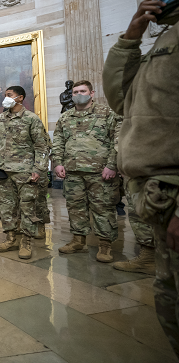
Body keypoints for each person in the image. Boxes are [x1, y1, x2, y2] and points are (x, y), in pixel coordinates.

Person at [103, 0, 179, 356]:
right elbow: (121, 99)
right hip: (160, 197)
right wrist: (132, 36)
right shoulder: (166, 38)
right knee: (170, 302)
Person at [51, 80, 121, 263]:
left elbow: (118, 140)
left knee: (103, 208)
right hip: (73, 171)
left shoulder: (107, 113)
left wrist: (112, 165)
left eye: (82, 91)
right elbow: (58, 141)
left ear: (92, 93)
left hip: (100, 171)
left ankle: (105, 245)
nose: (78, 94)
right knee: (75, 207)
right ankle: (78, 240)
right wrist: (57, 163)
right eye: (75, 92)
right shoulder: (65, 117)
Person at [0, 86, 47, 260]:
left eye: (9, 95)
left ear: (20, 98)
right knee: (6, 207)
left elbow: (41, 146)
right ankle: (11, 239)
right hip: (3, 170)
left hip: (24, 171)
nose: (6, 98)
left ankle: (26, 242)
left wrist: (38, 168)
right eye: (5, 95)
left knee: (27, 207)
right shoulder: (0, 118)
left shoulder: (31, 119)